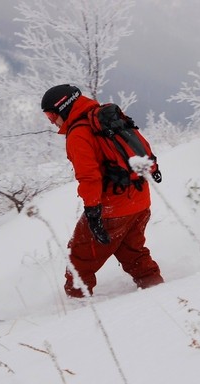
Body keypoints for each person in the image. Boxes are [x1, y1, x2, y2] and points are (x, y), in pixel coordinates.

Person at [40, 84, 164, 298]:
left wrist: (93, 212)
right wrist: (154, 168)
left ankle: (74, 307)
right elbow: (140, 142)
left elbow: (89, 177)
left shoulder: (79, 133)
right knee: (133, 253)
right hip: (140, 201)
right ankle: (159, 291)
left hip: (112, 210)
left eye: (51, 115)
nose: (51, 121)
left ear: (64, 107)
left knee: (79, 259)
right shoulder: (109, 115)